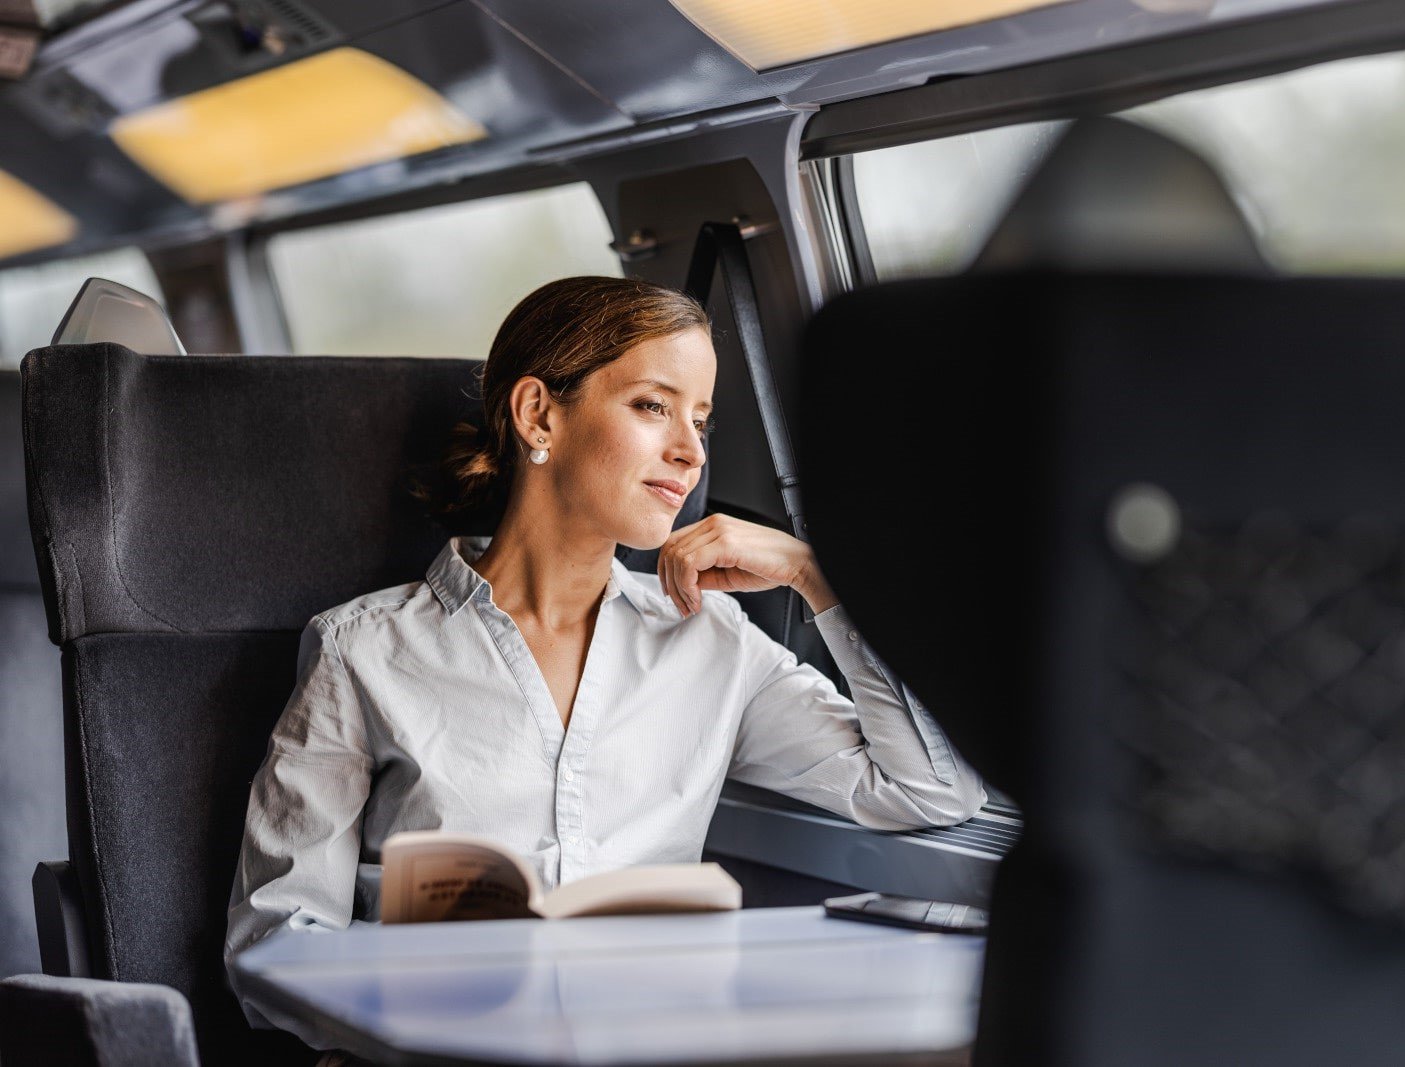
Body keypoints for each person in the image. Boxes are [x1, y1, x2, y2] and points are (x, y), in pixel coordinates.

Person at [222, 275, 986, 1053]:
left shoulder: (710, 641)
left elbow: (932, 786)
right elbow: (275, 942)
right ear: (538, 413)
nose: (690, 451)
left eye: (702, 419)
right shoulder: (365, 649)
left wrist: (815, 573)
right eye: (654, 406)